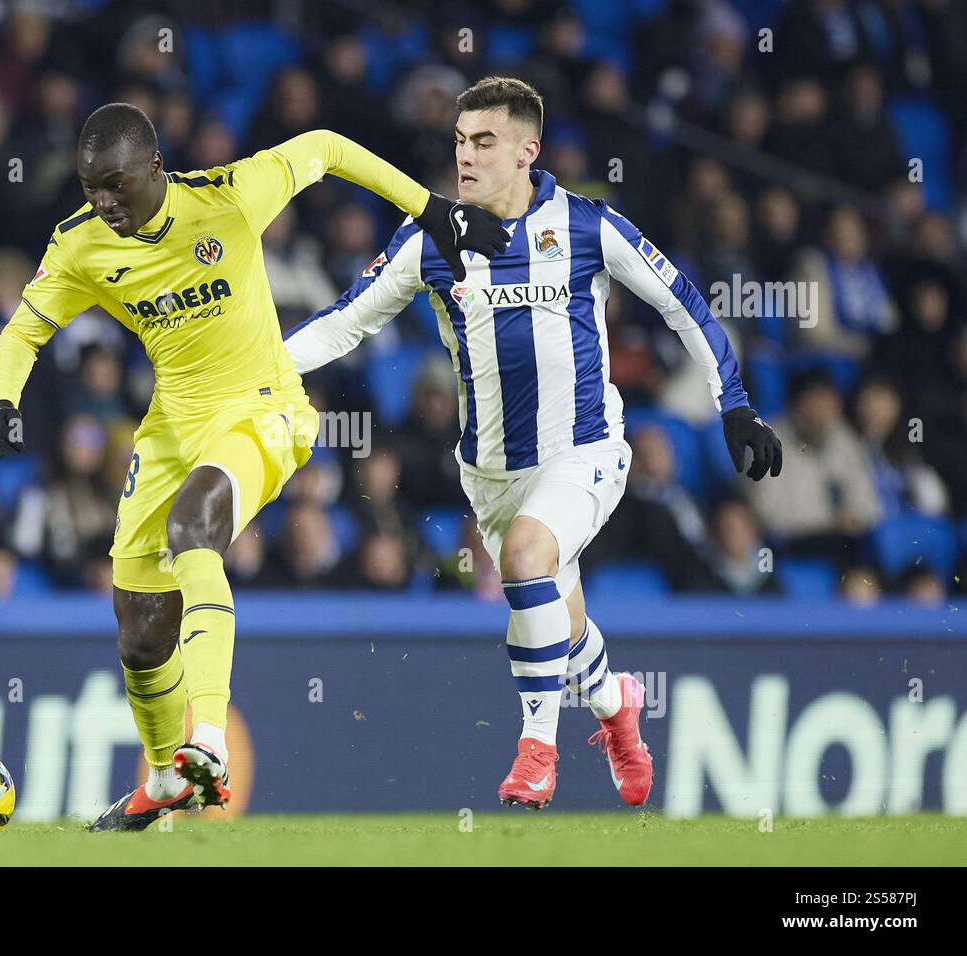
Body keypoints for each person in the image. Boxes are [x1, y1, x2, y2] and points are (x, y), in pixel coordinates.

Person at [0, 102, 509, 831]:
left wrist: (432, 208)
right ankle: (162, 778)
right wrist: (1, 401)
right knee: (139, 626)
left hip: (263, 407)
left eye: (117, 186)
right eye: (92, 187)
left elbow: (323, 143)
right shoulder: (81, 245)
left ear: (155, 167)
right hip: (169, 428)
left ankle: (208, 746)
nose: (104, 203)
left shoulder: (227, 196)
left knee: (196, 529)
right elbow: (27, 329)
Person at [286, 76, 782, 811]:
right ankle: (616, 704)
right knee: (562, 618)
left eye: (483, 141)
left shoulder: (586, 226)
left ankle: (536, 753)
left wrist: (733, 405)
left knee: (525, 558)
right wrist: (255, 371)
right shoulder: (433, 237)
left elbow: (684, 306)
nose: (465, 156)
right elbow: (345, 321)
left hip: (584, 453)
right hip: (490, 475)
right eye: (458, 141)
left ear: (527, 150)